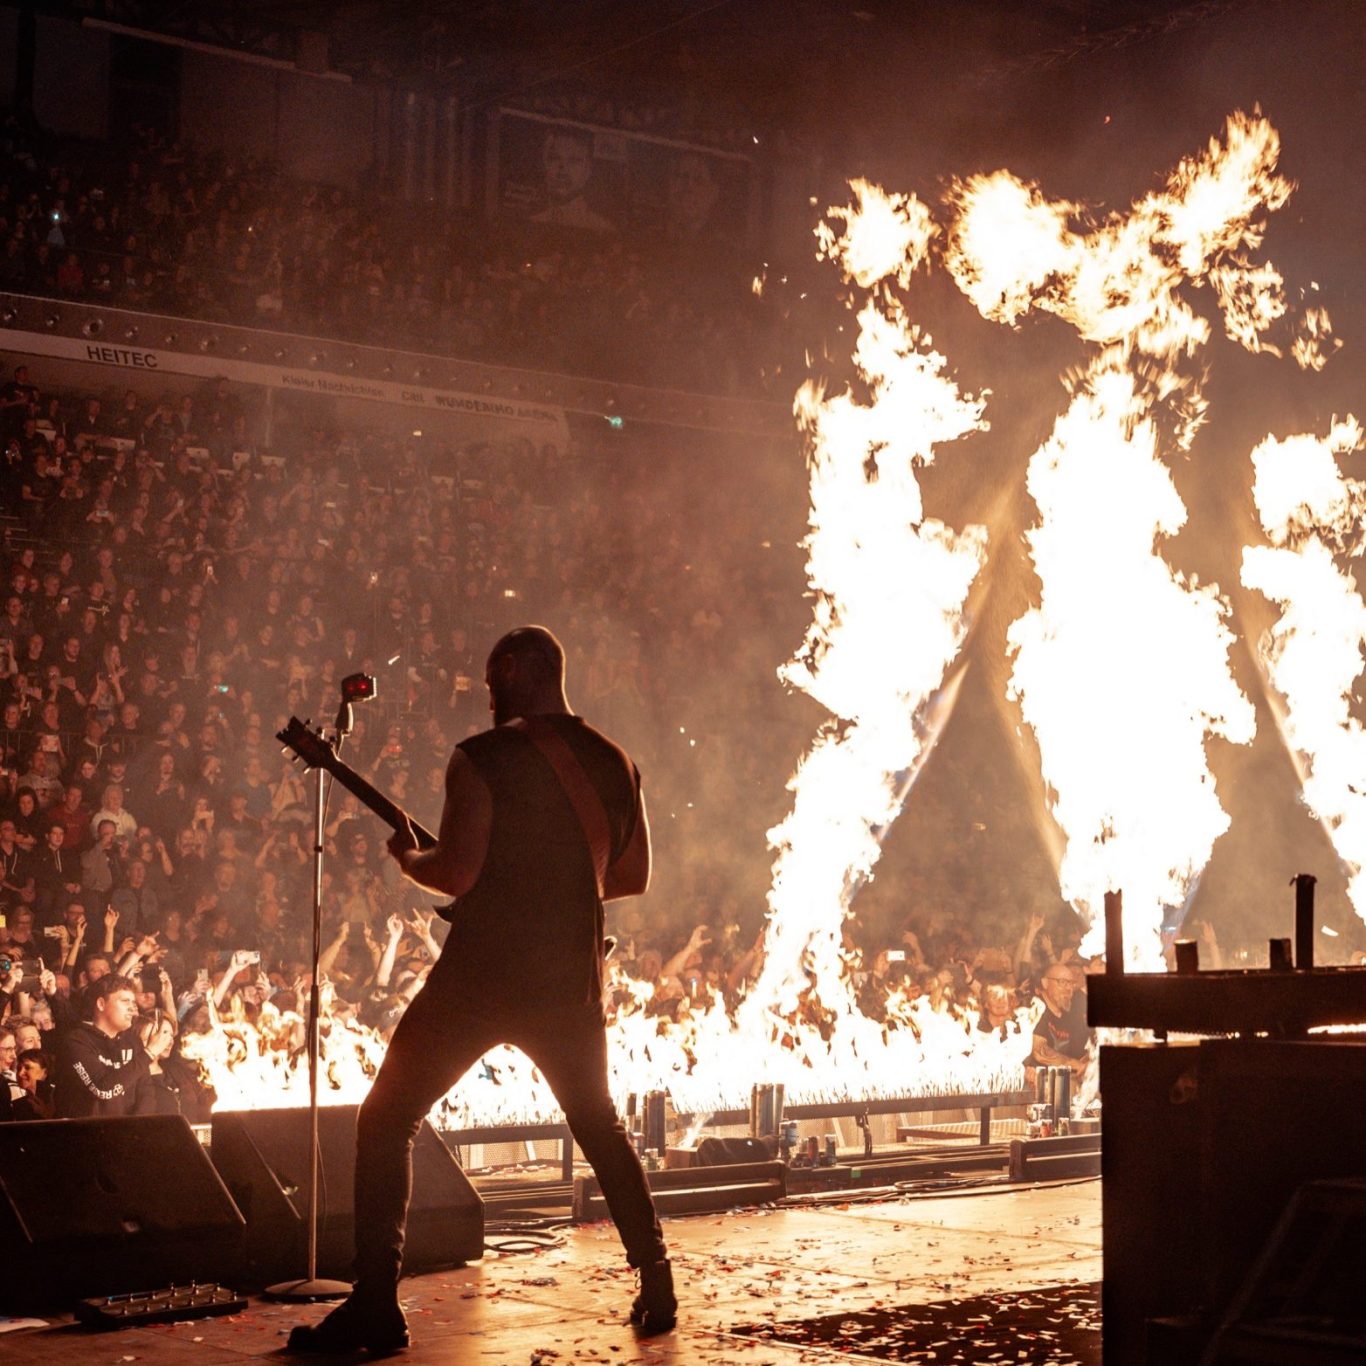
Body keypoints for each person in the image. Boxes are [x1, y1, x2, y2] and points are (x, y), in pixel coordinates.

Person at [289, 626, 672, 1353]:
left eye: (494, 678)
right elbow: (629, 878)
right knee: (599, 1126)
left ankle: (375, 1305)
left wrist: (410, 861)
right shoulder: (620, 764)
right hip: (569, 976)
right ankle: (657, 1280)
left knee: (387, 1117)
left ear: (521, 670)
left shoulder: (482, 757)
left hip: (484, 975)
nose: (487, 693)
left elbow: (457, 873)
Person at [54, 972, 152, 1117]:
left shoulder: (133, 1041)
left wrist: (134, 1131)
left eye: (133, 1002)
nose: (132, 1008)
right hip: (87, 1136)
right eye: (125, 1001)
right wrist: (150, 1052)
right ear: (101, 1004)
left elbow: (146, 1093)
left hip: (126, 1135)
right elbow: (102, 1089)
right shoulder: (77, 1041)